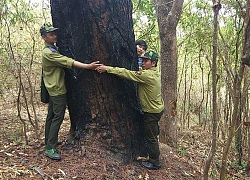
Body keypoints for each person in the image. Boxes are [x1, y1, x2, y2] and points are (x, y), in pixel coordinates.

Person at [40, 23, 101, 160]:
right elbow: (68, 61)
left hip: (53, 87)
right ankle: (50, 148)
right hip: (57, 89)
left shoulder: (52, 48)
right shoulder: (49, 53)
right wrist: (88, 66)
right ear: (44, 37)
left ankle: (48, 143)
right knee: (57, 117)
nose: (54, 36)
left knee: (51, 116)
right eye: (51, 34)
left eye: (55, 33)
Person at [96, 50, 164, 170]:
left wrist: (107, 68)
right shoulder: (154, 73)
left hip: (152, 112)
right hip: (156, 109)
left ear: (153, 63)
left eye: (146, 61)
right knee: (152, 134)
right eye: (142, 60)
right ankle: (152, 156)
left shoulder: (147, 75)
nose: (143, 63)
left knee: (151, 137)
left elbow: (127, 73)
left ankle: (155, 162)